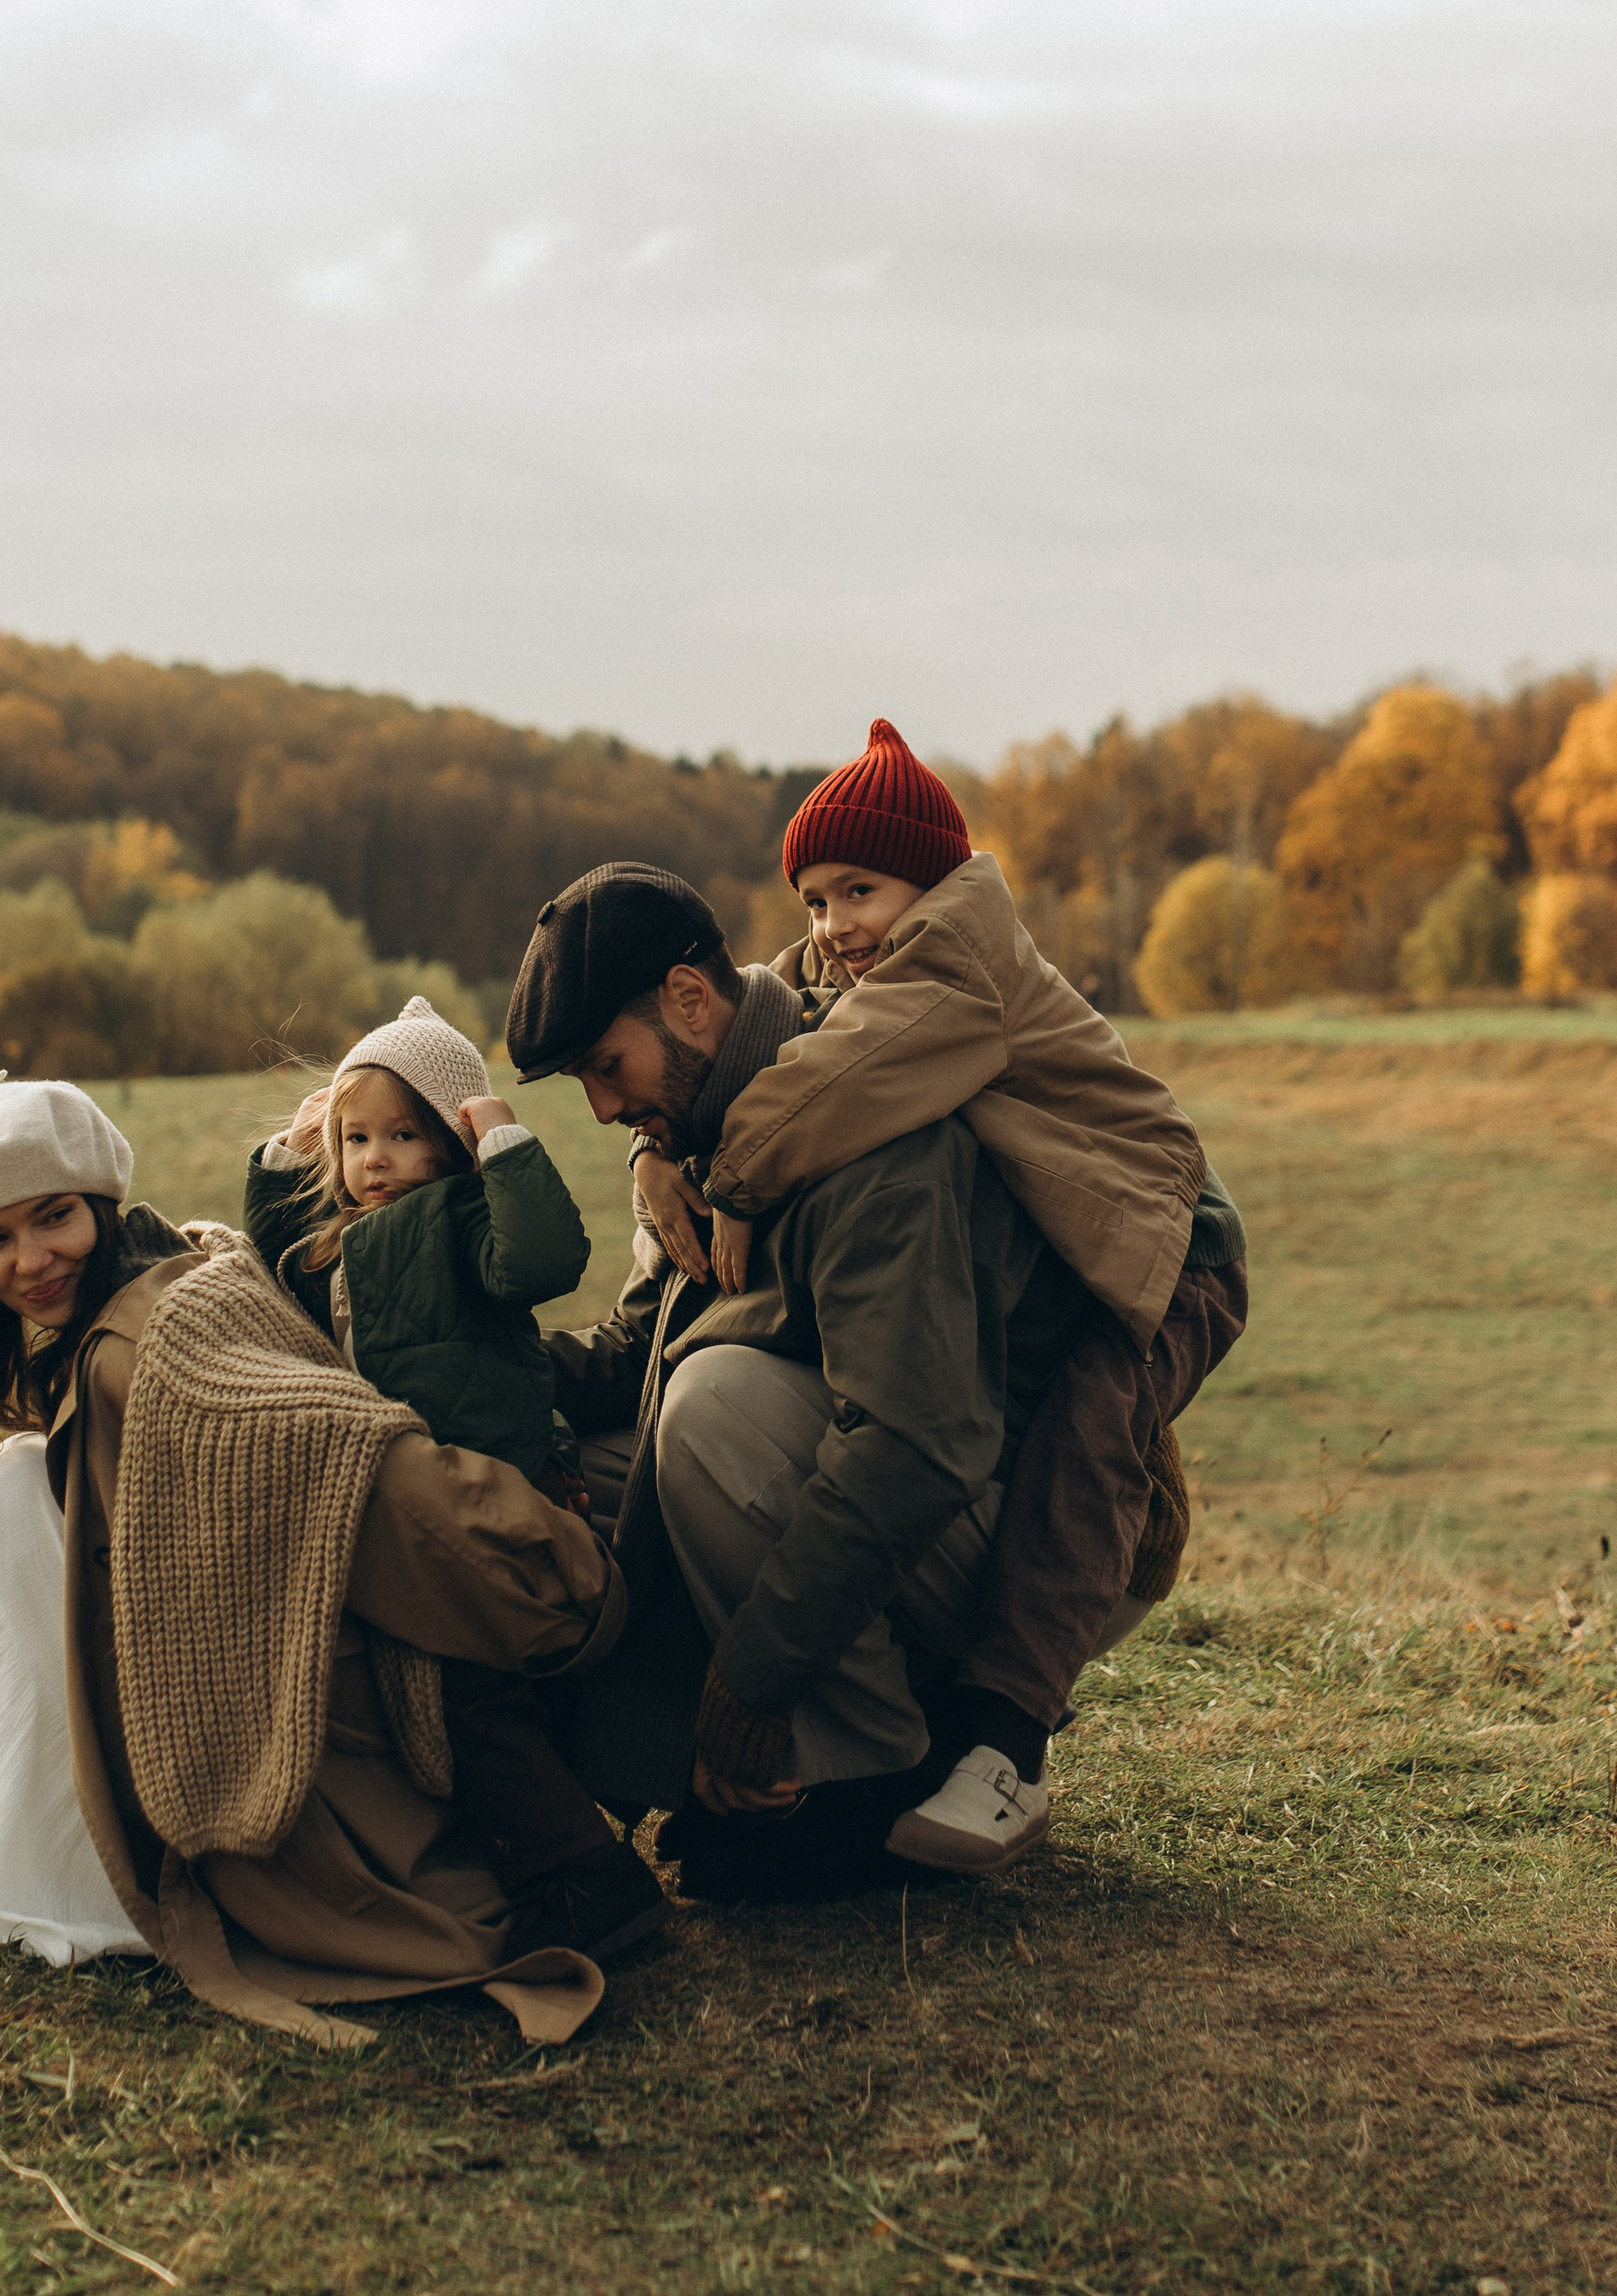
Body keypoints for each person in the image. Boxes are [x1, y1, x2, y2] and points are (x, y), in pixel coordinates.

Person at [0, 1073, 658, 2048]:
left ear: (102, 1203)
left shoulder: (150, 1340)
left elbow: (343, 1446)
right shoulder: (182, 1269)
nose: (31, 1261)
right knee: (7, 1486)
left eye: (53, 1218)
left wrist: (539, 1560)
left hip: (323, 1701)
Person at [504, 856, 1236, 1897]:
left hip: (1040, 1523)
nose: (598, 1106)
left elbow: (918, 1443)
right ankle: (643, 1766)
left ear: (687, 1000)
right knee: (598, 1458)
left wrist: (748, 1680)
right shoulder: (709, 1132)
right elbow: (641, 1348)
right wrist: (465, 1382)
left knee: (714, 1414)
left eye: (605, 1066)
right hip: (906, 1485)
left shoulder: (870, 1120)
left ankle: (874, 1773)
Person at [678, 718, 1248, 1869]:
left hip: (1176, 1250)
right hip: (1094, 1237)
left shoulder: (957, 964)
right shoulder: (879, 960)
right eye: (813, 902)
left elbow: (831, 1072)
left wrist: (729, 1178)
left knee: (1085, 1449)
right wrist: (658, 1155)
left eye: (859, 890)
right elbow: (775, 1007)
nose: (834, 928)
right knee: (1056, 1435)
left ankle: (1007, 1749)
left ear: (932, 882)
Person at [243, 995, 591, 1504]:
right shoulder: (336, 1240)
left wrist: (504, 1144)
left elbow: (542, 1263)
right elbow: (272, 1265)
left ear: (454, 1142)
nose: (375, 1158)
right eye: (356, 1138)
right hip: (387, 1483)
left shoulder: (465, 1219)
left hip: (492, 1479)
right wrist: (289, 1155)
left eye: (403, 1135)